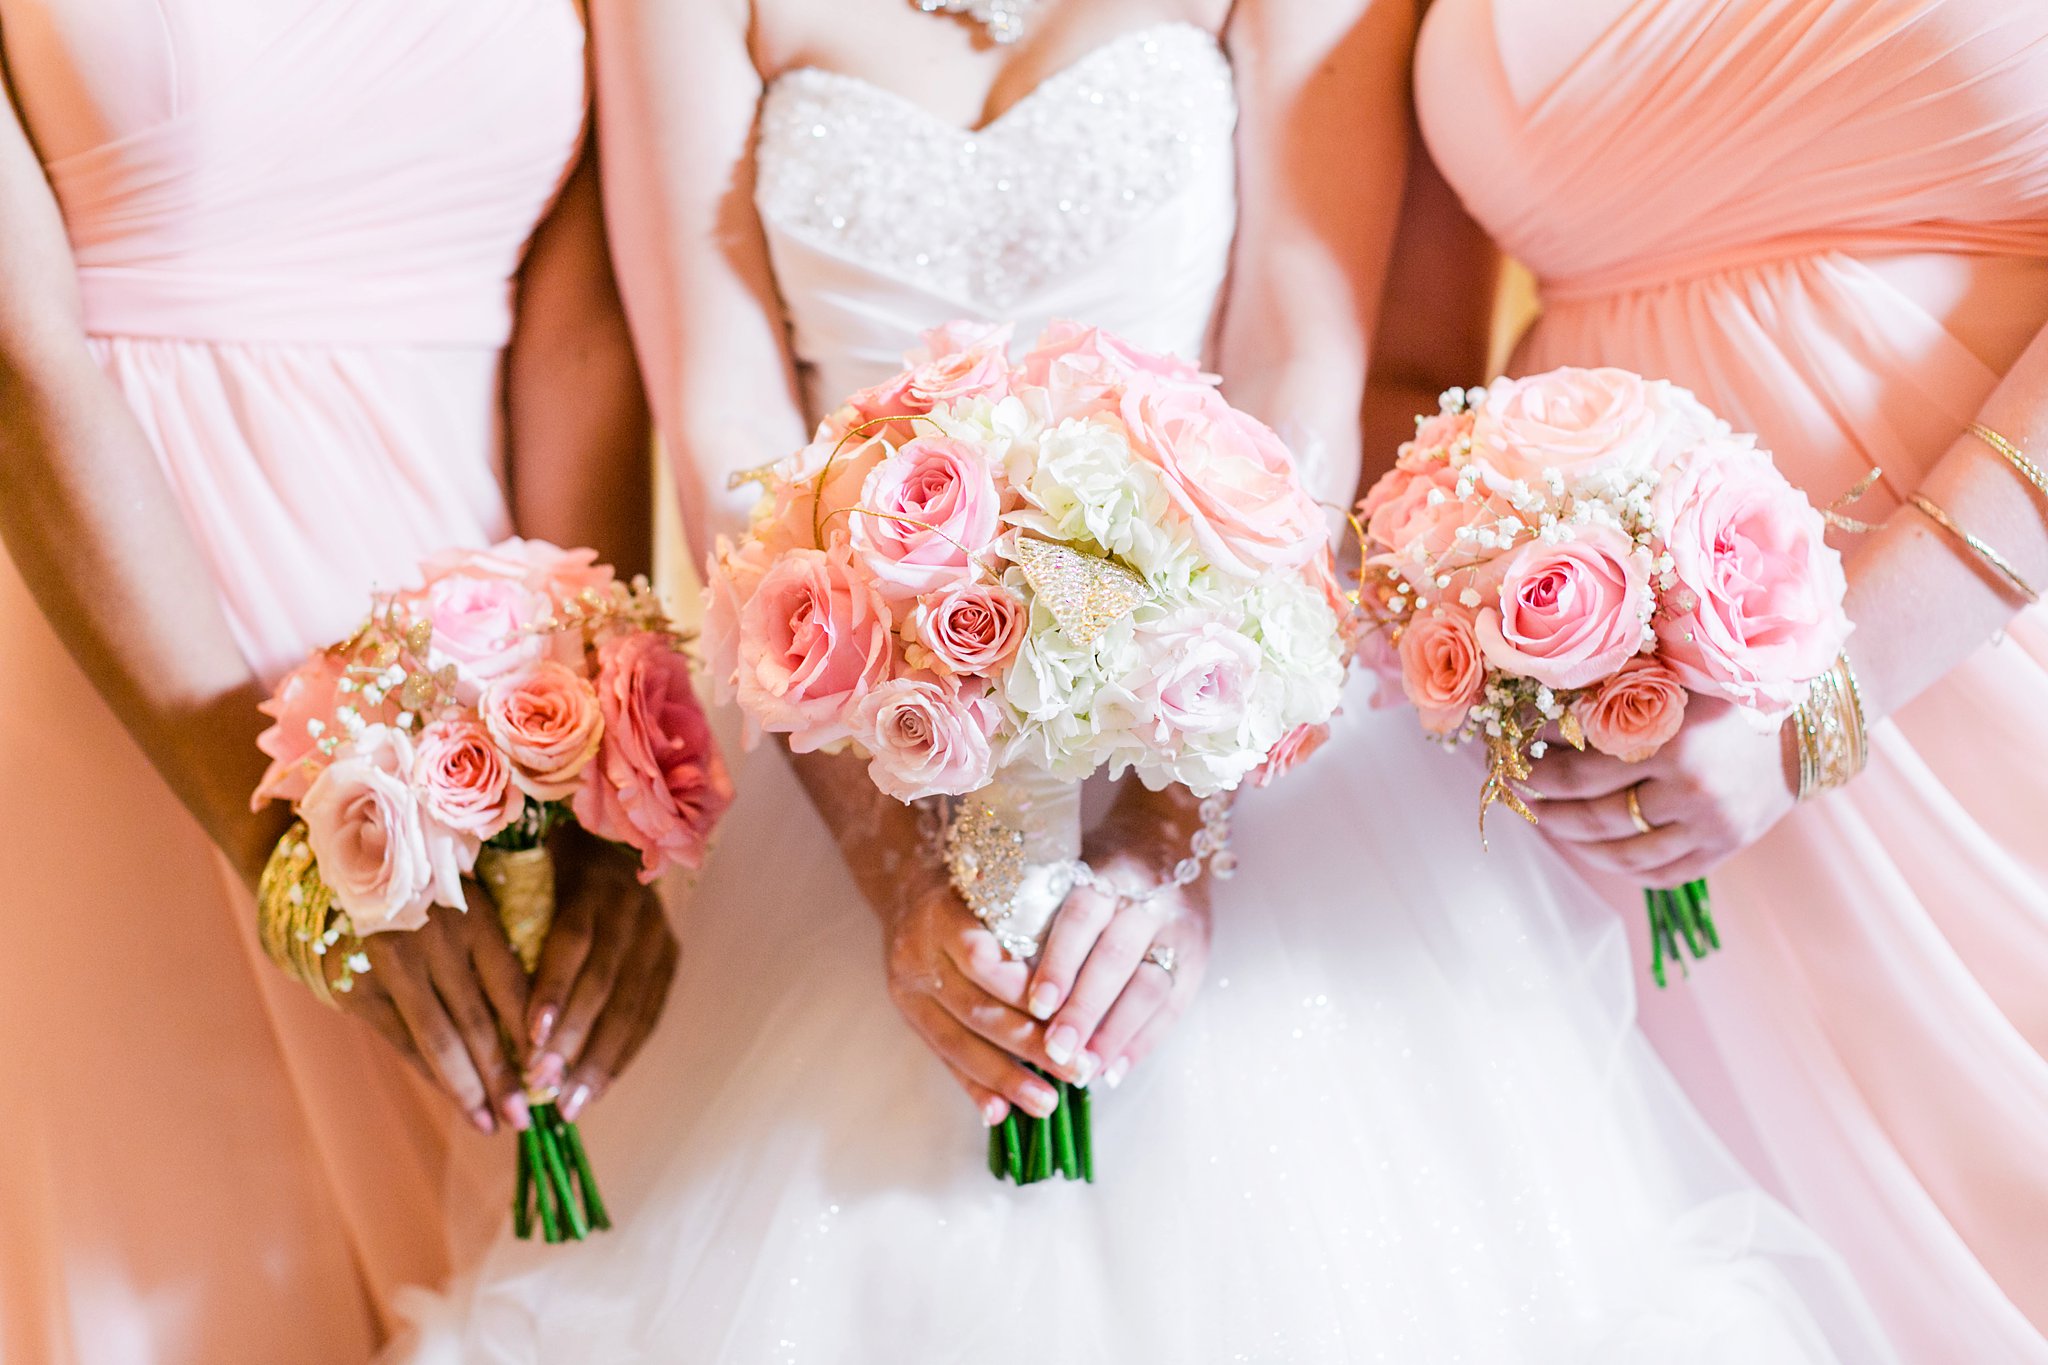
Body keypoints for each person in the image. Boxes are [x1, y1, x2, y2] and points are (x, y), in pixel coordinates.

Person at [389, 2, 1893, 1360]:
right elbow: (722, 424)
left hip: (1238, 689)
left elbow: (1300, 363)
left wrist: (1177, 829)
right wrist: (895, 858)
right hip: (844, 707)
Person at [0, 3, 669, 1358]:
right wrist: (284, 848)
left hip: (469, 680)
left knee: (514, 1248)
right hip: (133, 661)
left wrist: (589, 775)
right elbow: (16, 359)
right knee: (199, 1255)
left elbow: (579, 327)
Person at [1409, 0, 2048, 1358]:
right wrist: (1472, 649)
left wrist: (1833, 695)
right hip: (1607, 767)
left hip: (1988, 664)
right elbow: (1406, 366)